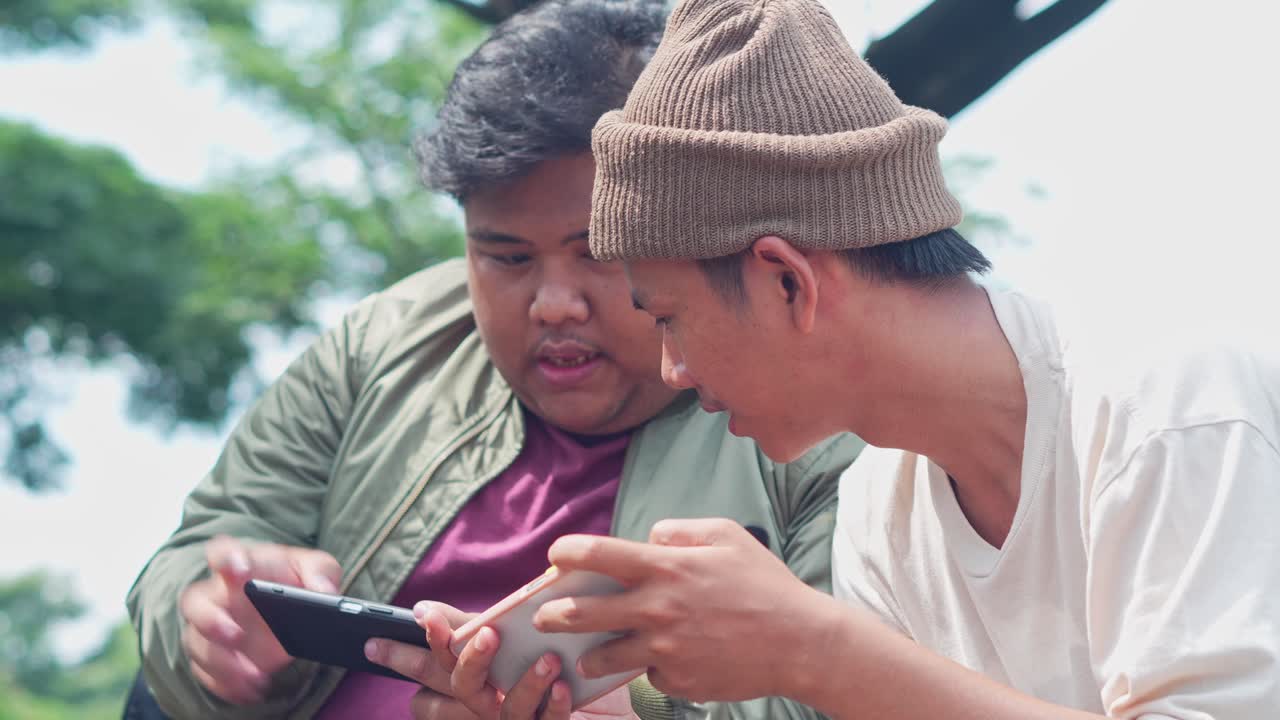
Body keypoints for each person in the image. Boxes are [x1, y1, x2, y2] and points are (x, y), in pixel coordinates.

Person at [522, 0, 1280, 717]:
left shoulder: (1166, 398)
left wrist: (814, 649)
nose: (672, 371)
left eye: (669, 320)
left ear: (789, 281)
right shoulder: (880, 510)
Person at [124, 1, 864, 719]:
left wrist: (643, 710)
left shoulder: (821, 420)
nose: (553, 304)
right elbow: (206, 544)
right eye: (506, 257)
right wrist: (208, 624)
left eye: (598, 254)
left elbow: (855, 682)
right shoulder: (385, 340)